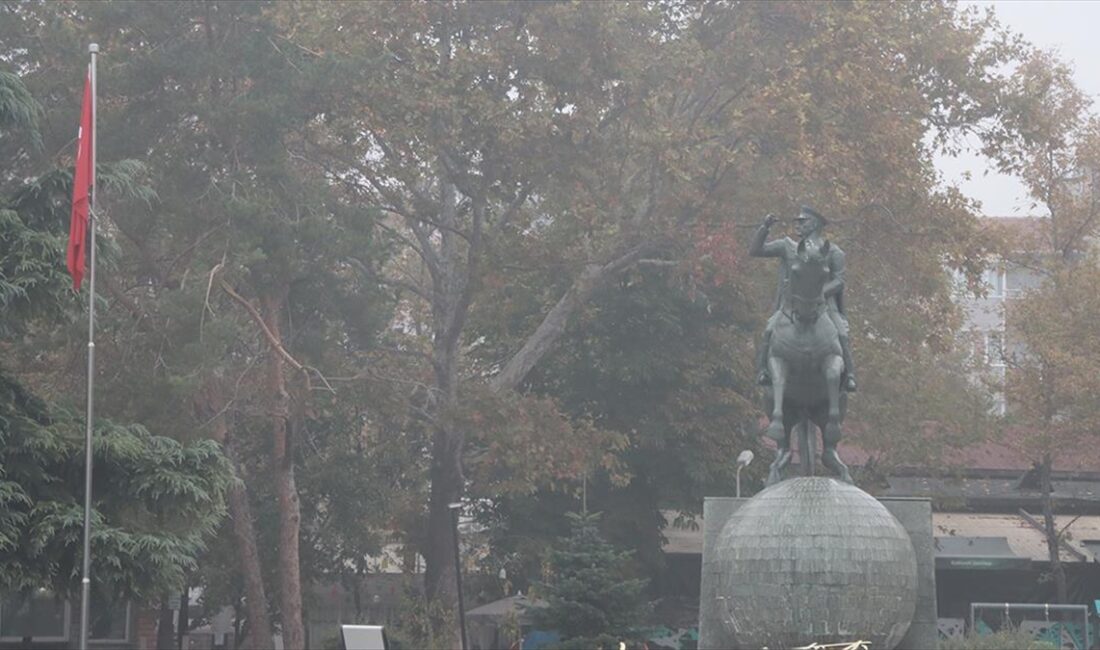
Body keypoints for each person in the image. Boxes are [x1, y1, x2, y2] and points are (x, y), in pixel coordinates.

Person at [749, 205, 857, 392]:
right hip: (790, 306)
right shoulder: (787, 246)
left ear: (814, 224)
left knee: (841, 333)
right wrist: (764, 228)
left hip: (825, 306)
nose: (797, 225)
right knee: (769, 329)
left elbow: (839, 281)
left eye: (802, 221)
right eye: (797, 221)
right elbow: (756, 250)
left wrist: (819, 294)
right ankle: (763, 371)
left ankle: (849, 375)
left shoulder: (833, 252)